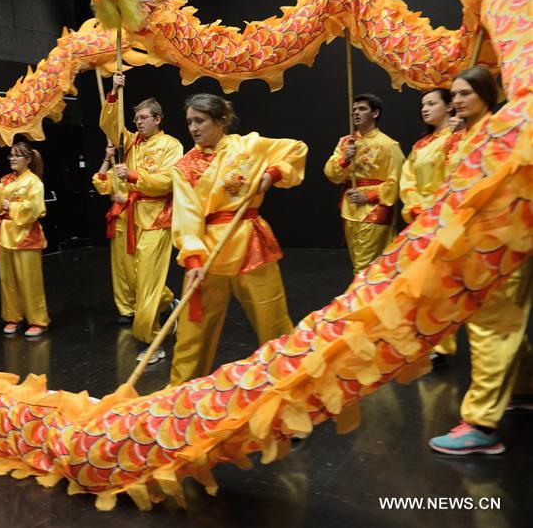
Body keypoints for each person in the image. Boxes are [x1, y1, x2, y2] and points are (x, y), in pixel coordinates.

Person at [429, 66, 532, 455]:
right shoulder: (471, 134)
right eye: (453, 94)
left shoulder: (498, 132)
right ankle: (523, 389)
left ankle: (482, 424)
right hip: (482, 241)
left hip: (498, 243)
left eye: (465, 94)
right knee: (507, 322)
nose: (456, 100)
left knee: (490, 327)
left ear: (487, 94)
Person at [169, 93, 307, 385]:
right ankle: (180, 394)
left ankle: (288, 387)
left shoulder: (249, 146)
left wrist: (273, 172)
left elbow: (296, 148)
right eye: (190, 122)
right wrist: (193, 259)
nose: (193, 128)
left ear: (220, 120)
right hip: (207, 251)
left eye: (200, 121)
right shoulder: (184, 167)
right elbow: (185, 214)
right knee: (192, 332)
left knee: (273, 320)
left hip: (250, 241)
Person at [93, 72, 183, 364]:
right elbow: (108, 124)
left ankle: (151, 340)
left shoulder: (172, 145)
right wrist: (114, 93)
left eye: (144, 118)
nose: (138, 122)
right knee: (135, 281)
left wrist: (133, 175)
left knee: (145, 282)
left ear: (157, 118)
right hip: (132, 218)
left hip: (157, 218)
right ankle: (170, 302)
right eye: (136, 119)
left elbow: (169, 181)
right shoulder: (130, 142)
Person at [399, 88, 460, 365]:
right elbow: (408, 179)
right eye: (423, 104)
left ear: (450, 107)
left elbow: (458, 178)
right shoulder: (421, 145)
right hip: (421, 219)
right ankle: (433, 340)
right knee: (426, 284)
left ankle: (442, 342)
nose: (424, 109)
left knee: (444, 284)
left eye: (432, 103)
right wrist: (413, 206)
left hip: (449, 218)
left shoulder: (461, 139)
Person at [324, 94, 405, 273]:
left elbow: (397, 181)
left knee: (365, 266)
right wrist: (345, 158)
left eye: (362, 109)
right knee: (357, 261)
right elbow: (331, 174)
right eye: (354, 110)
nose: (356, 113)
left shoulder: (389, 145)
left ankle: (362, 299)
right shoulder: (346, 142)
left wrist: (368, 196)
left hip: (375, 209)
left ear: (375, 113)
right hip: (349, 207)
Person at [0, 141, 50, 338]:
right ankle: (13, 316)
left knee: (29, 280)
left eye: (17, 155)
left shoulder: (34, 182)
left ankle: (38, 319)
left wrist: (10, 206)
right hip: (5, 233)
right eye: (11, 155)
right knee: (8, 279)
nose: (12, 158)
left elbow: (35, 209)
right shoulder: (6, 179)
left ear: (28, 159)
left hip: (26, 235)